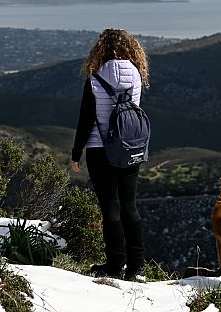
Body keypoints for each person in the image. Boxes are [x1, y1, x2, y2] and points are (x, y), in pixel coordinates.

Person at [70, 28, 148, 280]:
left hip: (98, 149)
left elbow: (86, 119)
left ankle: (115, 264)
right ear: (130, 48)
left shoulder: (95, 78)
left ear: (100, 49)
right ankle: (137, 265)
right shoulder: (136, 75)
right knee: (130, 206)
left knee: (110, 209)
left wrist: (75, 152)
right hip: (129, 147)